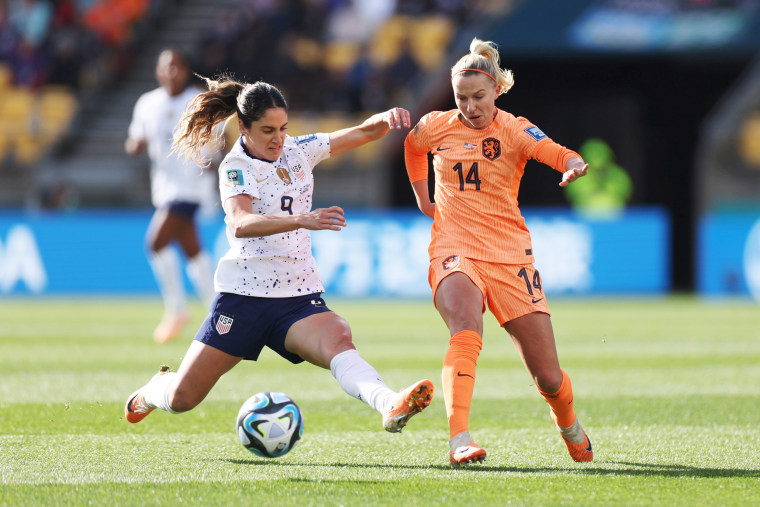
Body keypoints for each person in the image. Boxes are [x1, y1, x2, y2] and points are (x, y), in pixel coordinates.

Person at [124, 76, 433, 436]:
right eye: (267, 129)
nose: (278, 138)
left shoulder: (300, 150)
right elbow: (240, 222)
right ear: (243, 126)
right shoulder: (236, 167)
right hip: (244, 298)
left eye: (284, 127)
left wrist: (385, 118)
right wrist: (303, 219)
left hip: (296, 296)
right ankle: (153, 390)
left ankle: (388, 403)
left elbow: (362, 133)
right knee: (183, 398)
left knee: (338, 338)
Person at [403, 38, 592, 466]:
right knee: (465, 325)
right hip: (454, 246)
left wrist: (572, 164)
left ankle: (569, 425)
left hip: (509, 255)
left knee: (547, 376)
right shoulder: (436, 125)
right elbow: (412, 147)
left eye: (478, 97)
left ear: (497, 92)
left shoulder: (514, 129)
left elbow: (554, 151)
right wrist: (422, 197)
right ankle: (459, 439)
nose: (469, 107)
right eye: (461, 98)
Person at [125, 49, 218, 344]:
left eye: (176, 67)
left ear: (186, 69)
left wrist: (212, 155)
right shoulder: (147, 103)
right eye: (166, 67)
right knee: (193, 251)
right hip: (164, 186)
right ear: (158, 70)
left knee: (156, 242)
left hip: (192, 185)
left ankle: (176, 309)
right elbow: (135, 139)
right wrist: (134, 146)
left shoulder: (199, 100)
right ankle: (219, 311)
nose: (170, 72)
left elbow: (218, 141)